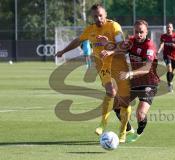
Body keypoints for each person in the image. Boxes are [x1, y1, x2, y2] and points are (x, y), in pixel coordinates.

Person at [55, 4, 132, 143]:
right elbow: (77, 41)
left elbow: (122, 46)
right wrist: (63, 51)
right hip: (103, 66)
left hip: (119, 64)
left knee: (124, 100)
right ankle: (103, 124)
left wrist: (109, 50)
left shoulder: (114, 27)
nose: (98, 18)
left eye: (100, 15)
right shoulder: (90, 29)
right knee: (111, 92)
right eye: (95, 16)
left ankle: (124, 130)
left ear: (106, 14)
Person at [119, 20, 160, 143]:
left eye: (141, 32)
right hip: (135, 82)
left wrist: (130, 73)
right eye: (136, 32)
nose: (139, 34)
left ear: (146, 32)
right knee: (117, 105)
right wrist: (108, 47)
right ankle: (129, 130)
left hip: (149, 82)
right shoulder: (131, 41)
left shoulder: (150, 46)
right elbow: (119, 50)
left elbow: (147, 68)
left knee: (140, 114)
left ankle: (138, 132)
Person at [157, 23, 175, 92]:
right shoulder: (163, 36)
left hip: (174, 56)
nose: (168, 28)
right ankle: (170, 85)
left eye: (170, 27)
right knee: (169, 68)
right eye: (167, 27)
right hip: (166, 55)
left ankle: (169, 82)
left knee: (171, 71)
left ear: (172, 28)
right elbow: (161, 44)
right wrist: (159, 50)